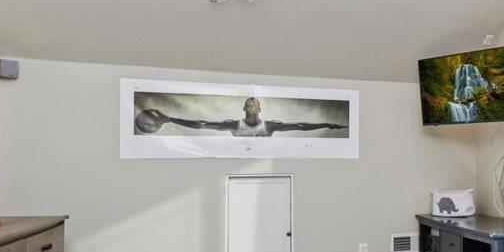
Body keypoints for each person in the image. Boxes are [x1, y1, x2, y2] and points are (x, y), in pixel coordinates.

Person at [135, 96, 346, 137]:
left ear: (259, 110)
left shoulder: (269, 126)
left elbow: (299, 126)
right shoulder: (234, 125)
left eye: (254, 104)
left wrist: (326, 124)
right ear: (244, 109)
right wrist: (170, 119)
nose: (250, 106)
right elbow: (202, 125)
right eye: (248, 104)